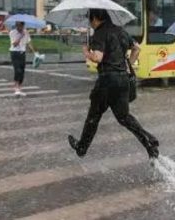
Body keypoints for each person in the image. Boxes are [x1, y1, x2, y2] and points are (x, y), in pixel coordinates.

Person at [68, 9, 160, 160]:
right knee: (124, 117)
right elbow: (137, 48)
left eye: (91, 20)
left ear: (97, 18)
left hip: (106, 81)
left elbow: (97, 57)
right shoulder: (121, 31)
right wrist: (127, 65)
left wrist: (86, 52)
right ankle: (148, 141)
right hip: (122, 79)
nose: (91, 24)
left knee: (94, 116)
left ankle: (82, 148)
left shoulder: (99, 33)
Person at [9, 21, 36, 96]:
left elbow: (28, 42)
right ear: (16, 26)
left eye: (21, 26)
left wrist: (33, 51)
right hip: (14, 53)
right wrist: (20, 36)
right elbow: (14, 44)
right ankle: (16, 87)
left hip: (22, 53)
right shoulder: (12, 32)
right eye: (18, 26)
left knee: (22, 71)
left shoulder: (26, 32)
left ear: (23, 26)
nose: (20, 28)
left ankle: (20, 88)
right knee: (17, 70)